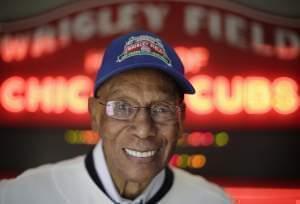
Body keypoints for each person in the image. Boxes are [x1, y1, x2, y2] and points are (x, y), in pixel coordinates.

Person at [0, 31, 232, 204]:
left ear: (181, 119)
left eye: (161, 109)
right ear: (95, 114)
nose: (143, 129)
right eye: (122, 106)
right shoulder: (23, 195)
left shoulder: (211, 201)